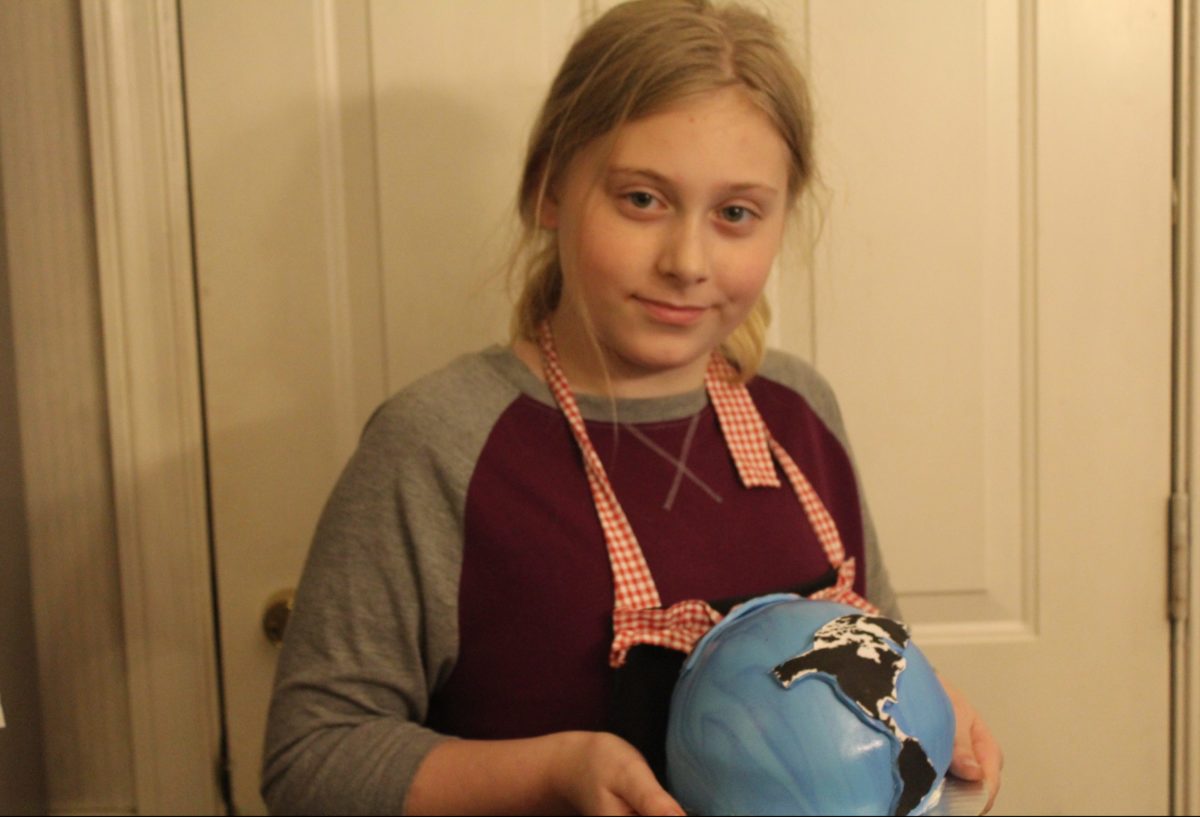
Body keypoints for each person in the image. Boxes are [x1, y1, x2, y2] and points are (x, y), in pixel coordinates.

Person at [261, 1, 1003, 814]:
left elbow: (880, 654)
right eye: (642, 199)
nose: (688, 261)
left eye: (735, 213)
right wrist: (553, 772)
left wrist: (929, 718)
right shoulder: (438, 445)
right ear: (549, 187)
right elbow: (310, 758)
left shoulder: (799, 413)